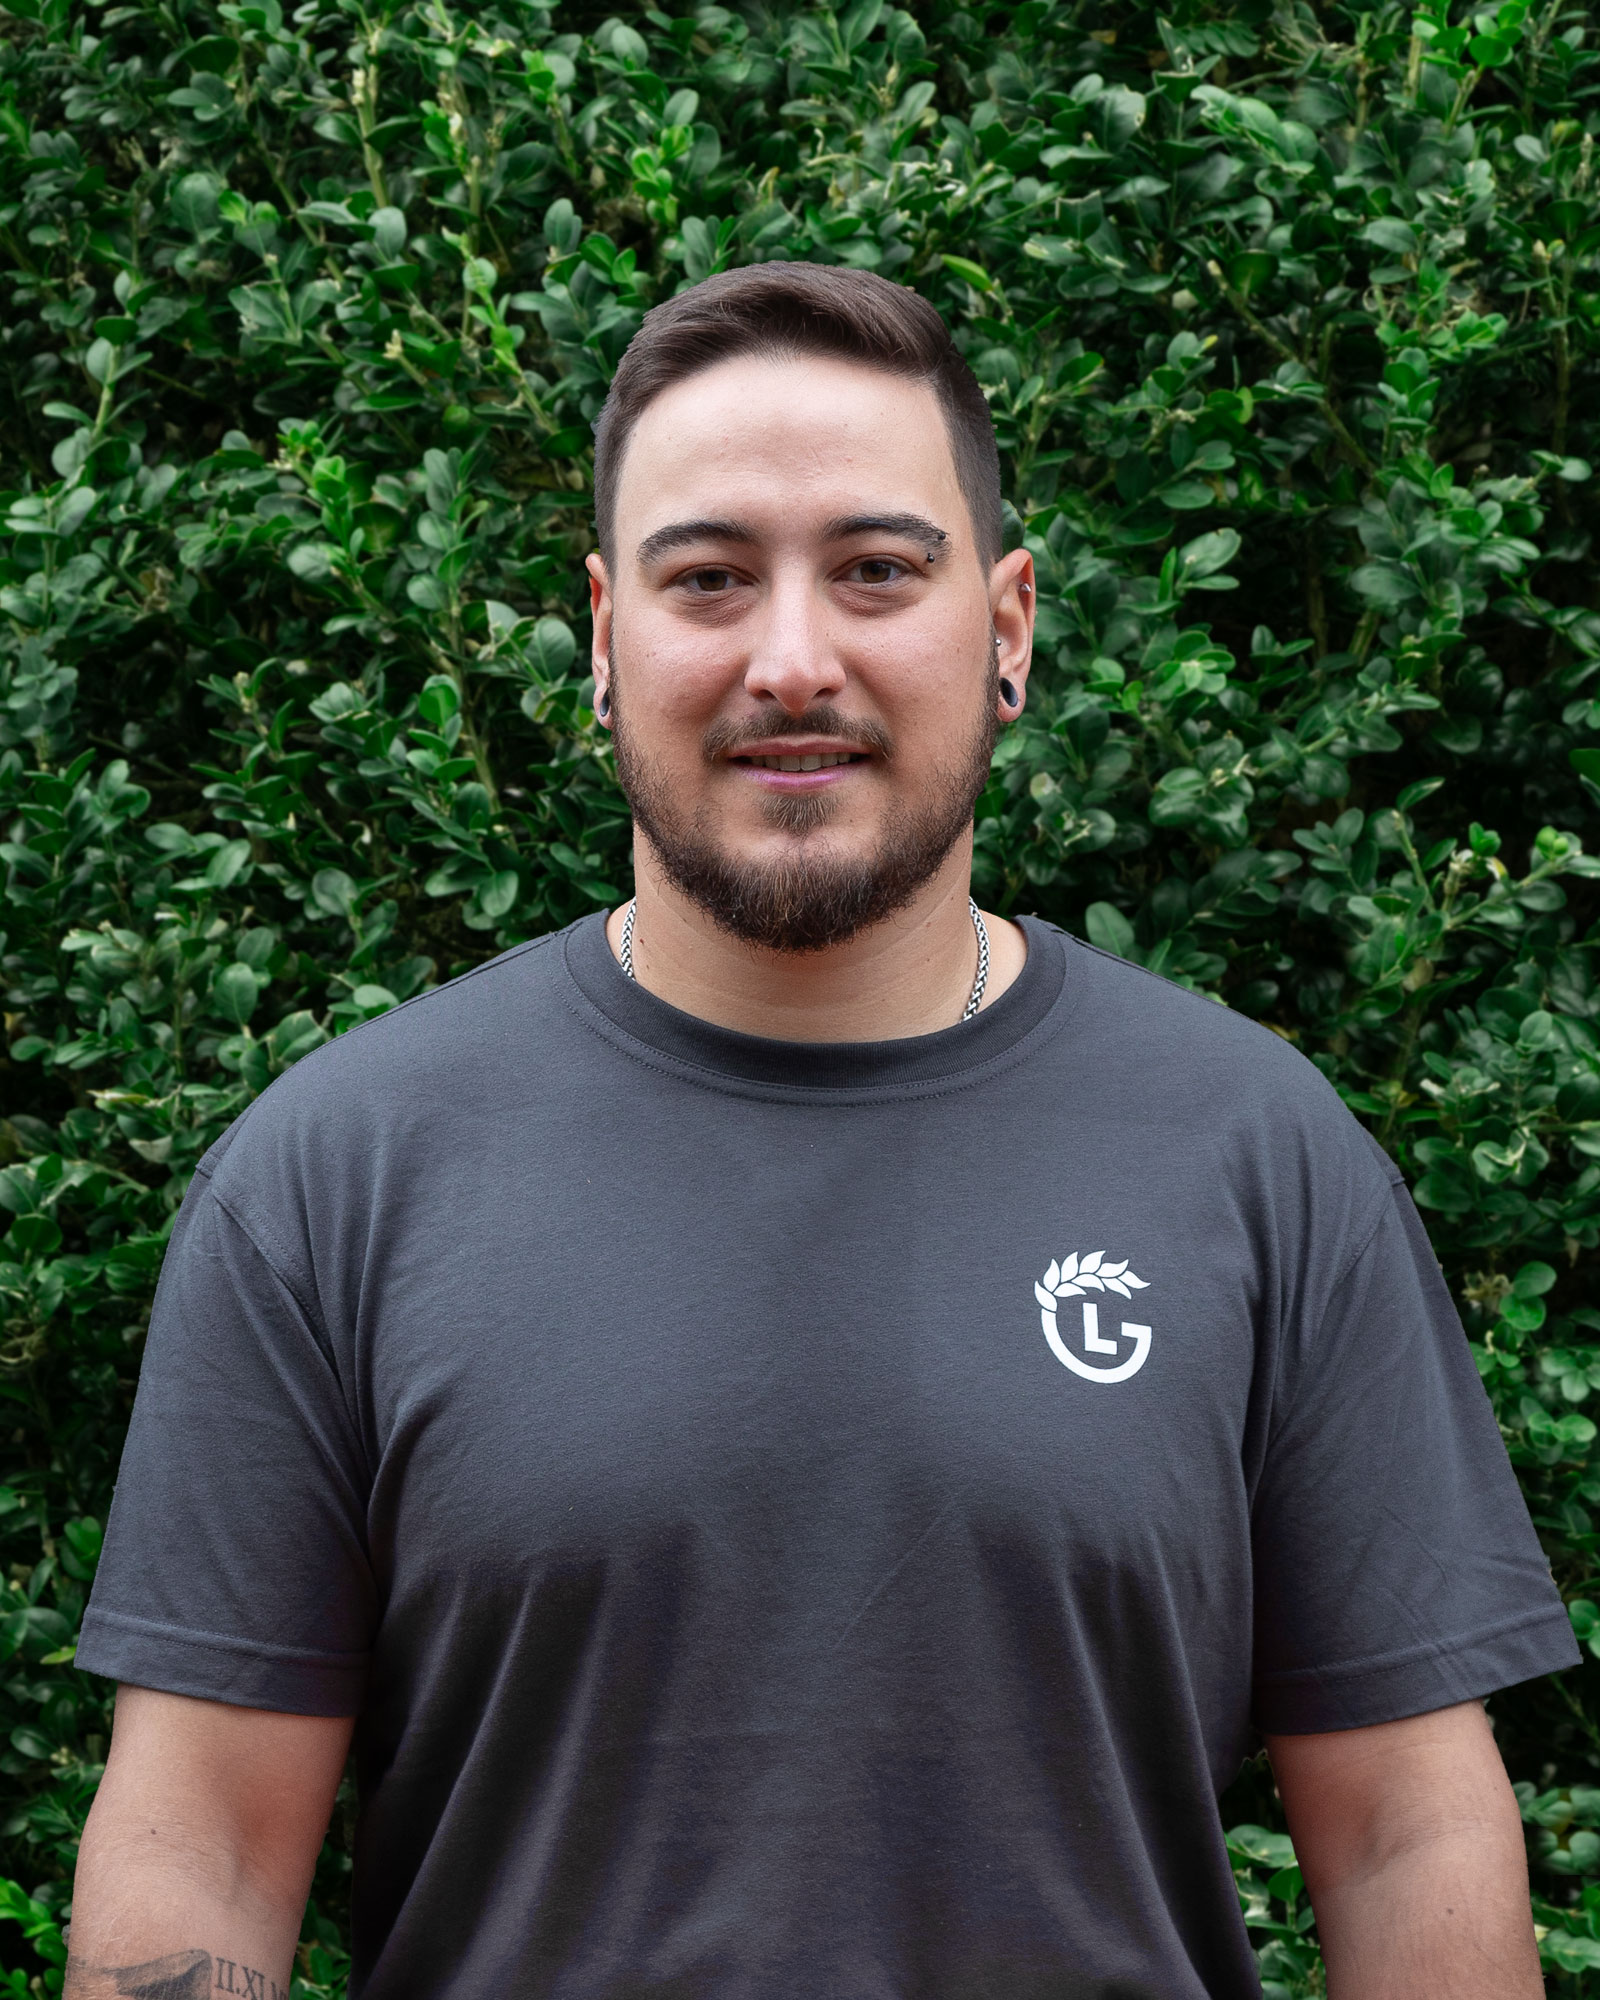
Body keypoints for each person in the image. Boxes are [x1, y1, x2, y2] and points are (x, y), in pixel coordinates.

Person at [67, 262, 1574, 2000]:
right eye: (708, 578)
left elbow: (1407, 1830)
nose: (793, 662)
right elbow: (202, 1843)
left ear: (1006, 628)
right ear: (607, 637)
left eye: (876, 571)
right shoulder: (337, 1180)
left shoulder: (1257, 1157)